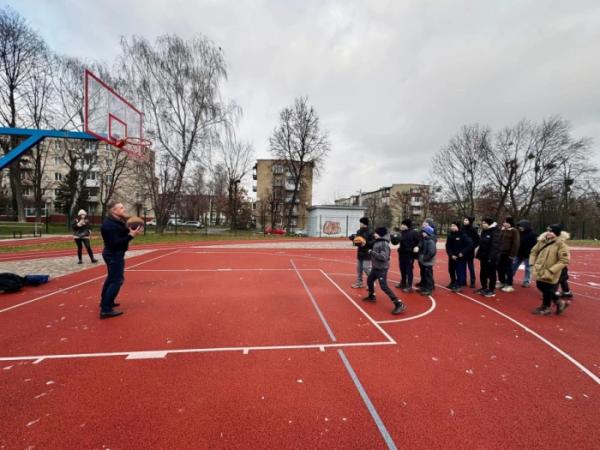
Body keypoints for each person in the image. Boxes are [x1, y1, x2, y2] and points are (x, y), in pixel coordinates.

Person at [99, 200, 143, 319]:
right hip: (113, 254)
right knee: (117, 280)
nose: (124, 209)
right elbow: (115, 243)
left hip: (115, 253)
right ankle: (106, 309)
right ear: (113, 210)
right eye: (121, 208)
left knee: (111, 278)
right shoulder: (109, 225)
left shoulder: (117, 221)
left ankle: (106, 301)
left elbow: (123, 231)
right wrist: (130, 236)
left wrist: (132, 230)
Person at [363, 227, 406, 315]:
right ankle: (372, 296)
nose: (374, 234)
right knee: (370, 280)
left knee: (384, 286)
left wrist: (371, 252)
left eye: (375, 233)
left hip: (381, 268)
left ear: (379, 234)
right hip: (376, 267)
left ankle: (398, 303)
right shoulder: (377, 241)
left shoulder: (384, 244)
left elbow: (383, 257)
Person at [529, 224, 570, 315]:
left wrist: (552, 270)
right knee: (540, 285)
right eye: (548, 230)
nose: (548, 233)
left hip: (551, 271)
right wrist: (532, 264)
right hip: (540, 269)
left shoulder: (561, 245)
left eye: (551, 231)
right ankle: (559, 302)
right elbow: (533, 252)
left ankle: (546, 307)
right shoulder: (542, 241)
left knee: (547, 288)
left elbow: (564, 260)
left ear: (556, 233)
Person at [475, 218, 501, 298]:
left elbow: (495, 246)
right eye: (482, 223)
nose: (483, 224)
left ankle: (491, 290)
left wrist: (491, 257)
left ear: (489, 224)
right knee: (483, 272)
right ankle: (484, 287)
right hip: (483, 256)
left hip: (491, 257)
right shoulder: (484, 231)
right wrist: (478, 254)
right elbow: (482, 244)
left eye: (484, 223)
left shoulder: (495, 232)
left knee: (491, 273)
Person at [445, 221, 473, 293]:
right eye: (451, 225)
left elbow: (470, 244)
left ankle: (458, 285)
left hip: (460, 257)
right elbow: (448, 246)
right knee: (451, 270)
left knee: (459, 272)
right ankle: (453, 282)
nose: (452, 227)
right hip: (452, 257)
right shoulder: (450, 235)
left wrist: (462, 253)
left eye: (454, 225)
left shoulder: (463, 235)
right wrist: (451, 255)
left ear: (458, 227)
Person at [395, 219, 420, 292]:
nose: (401, 226)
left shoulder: (414, 233)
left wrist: (417, 246)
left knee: (409, 270)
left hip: (409, 254)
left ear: (407, 226)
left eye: (403, 225)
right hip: (402, 253)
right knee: (402, 269)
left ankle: (409, 286)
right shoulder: (401, 233)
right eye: (401, 224)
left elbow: (419, 241)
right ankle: (403, 283)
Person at [349, 217, 374, 289]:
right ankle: (359, 283)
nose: (360, 224)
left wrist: (366, 243)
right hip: (360, 252)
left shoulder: (370, 232)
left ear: (364, 224)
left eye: (361, 222)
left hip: (367, 253)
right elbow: (357, 242)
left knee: (366, 268)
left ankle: (371, 282)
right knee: (359, 269)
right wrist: (353, 239)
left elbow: (373, 242)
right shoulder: (359, 231)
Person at [512, 219, 537, 287]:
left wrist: (531, 253)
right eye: (519, 226)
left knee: (528, 269)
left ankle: (526, 281)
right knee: (513, 266)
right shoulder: (518, 233)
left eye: (521, 226)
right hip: (518, 253)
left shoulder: (532, 234)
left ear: (526, 226)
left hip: (528, 255)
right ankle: (509, 278)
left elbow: (535, 245)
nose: (520, 227)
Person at [497, 217, 520, 292]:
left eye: (506, 222)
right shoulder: (502, 230)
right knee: (500, 268)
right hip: (500, 252)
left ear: (510, 223)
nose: (504, 223)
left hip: (508, 253)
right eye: (504, 222)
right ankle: (502, 281)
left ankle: (509, 284)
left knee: (508, 269)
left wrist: (512, 255)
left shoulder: (514, 231)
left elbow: (516, 243)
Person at [416, 225, 436, 296]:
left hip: (427, 262)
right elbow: (421, 245)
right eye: (423, 232)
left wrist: (424, 259)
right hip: (424, 261)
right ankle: (424, 287)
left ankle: (429, 289)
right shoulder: (424, 240)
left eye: (424, 232)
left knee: (428, 276)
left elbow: (432, 252)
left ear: (428, 233)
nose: (422, 233)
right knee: (424, 275)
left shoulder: (430, 241)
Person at [462, 216, 480, 288]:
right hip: (462, 251)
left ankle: (473, 281)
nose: (464, 221)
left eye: (466, 220)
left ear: (469, 221)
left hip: (469, 251)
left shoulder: (473, 230)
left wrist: (472, 247)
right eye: (464, 220)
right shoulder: (462, 228)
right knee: (462, 266)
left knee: (470, 267)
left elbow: (478, 240)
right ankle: (463, 280)